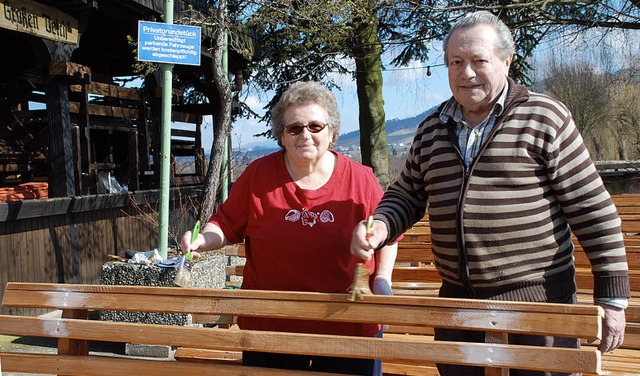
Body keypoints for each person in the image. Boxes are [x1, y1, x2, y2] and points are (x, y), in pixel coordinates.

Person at [350, 10, 630, 376]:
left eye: (479, 60)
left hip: (538, 309)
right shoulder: (432, 129)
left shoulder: (544, 117)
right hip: (458, 309)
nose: (466, 73)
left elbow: (593, 211)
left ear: (506, 60)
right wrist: (381, 225)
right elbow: (407, 194)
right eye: (456, 61)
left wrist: (611, 300)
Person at [180, 80, 397, 375]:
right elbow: (226, 224)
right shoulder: (258, 175)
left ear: (332, 131)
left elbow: (389, 230)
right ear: (281, 135)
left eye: (315, 127)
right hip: (271, 327)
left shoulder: (360, 179)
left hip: (348, 326)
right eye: (294, 128)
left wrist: (382, 279)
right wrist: (202, 241)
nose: (304, 135)